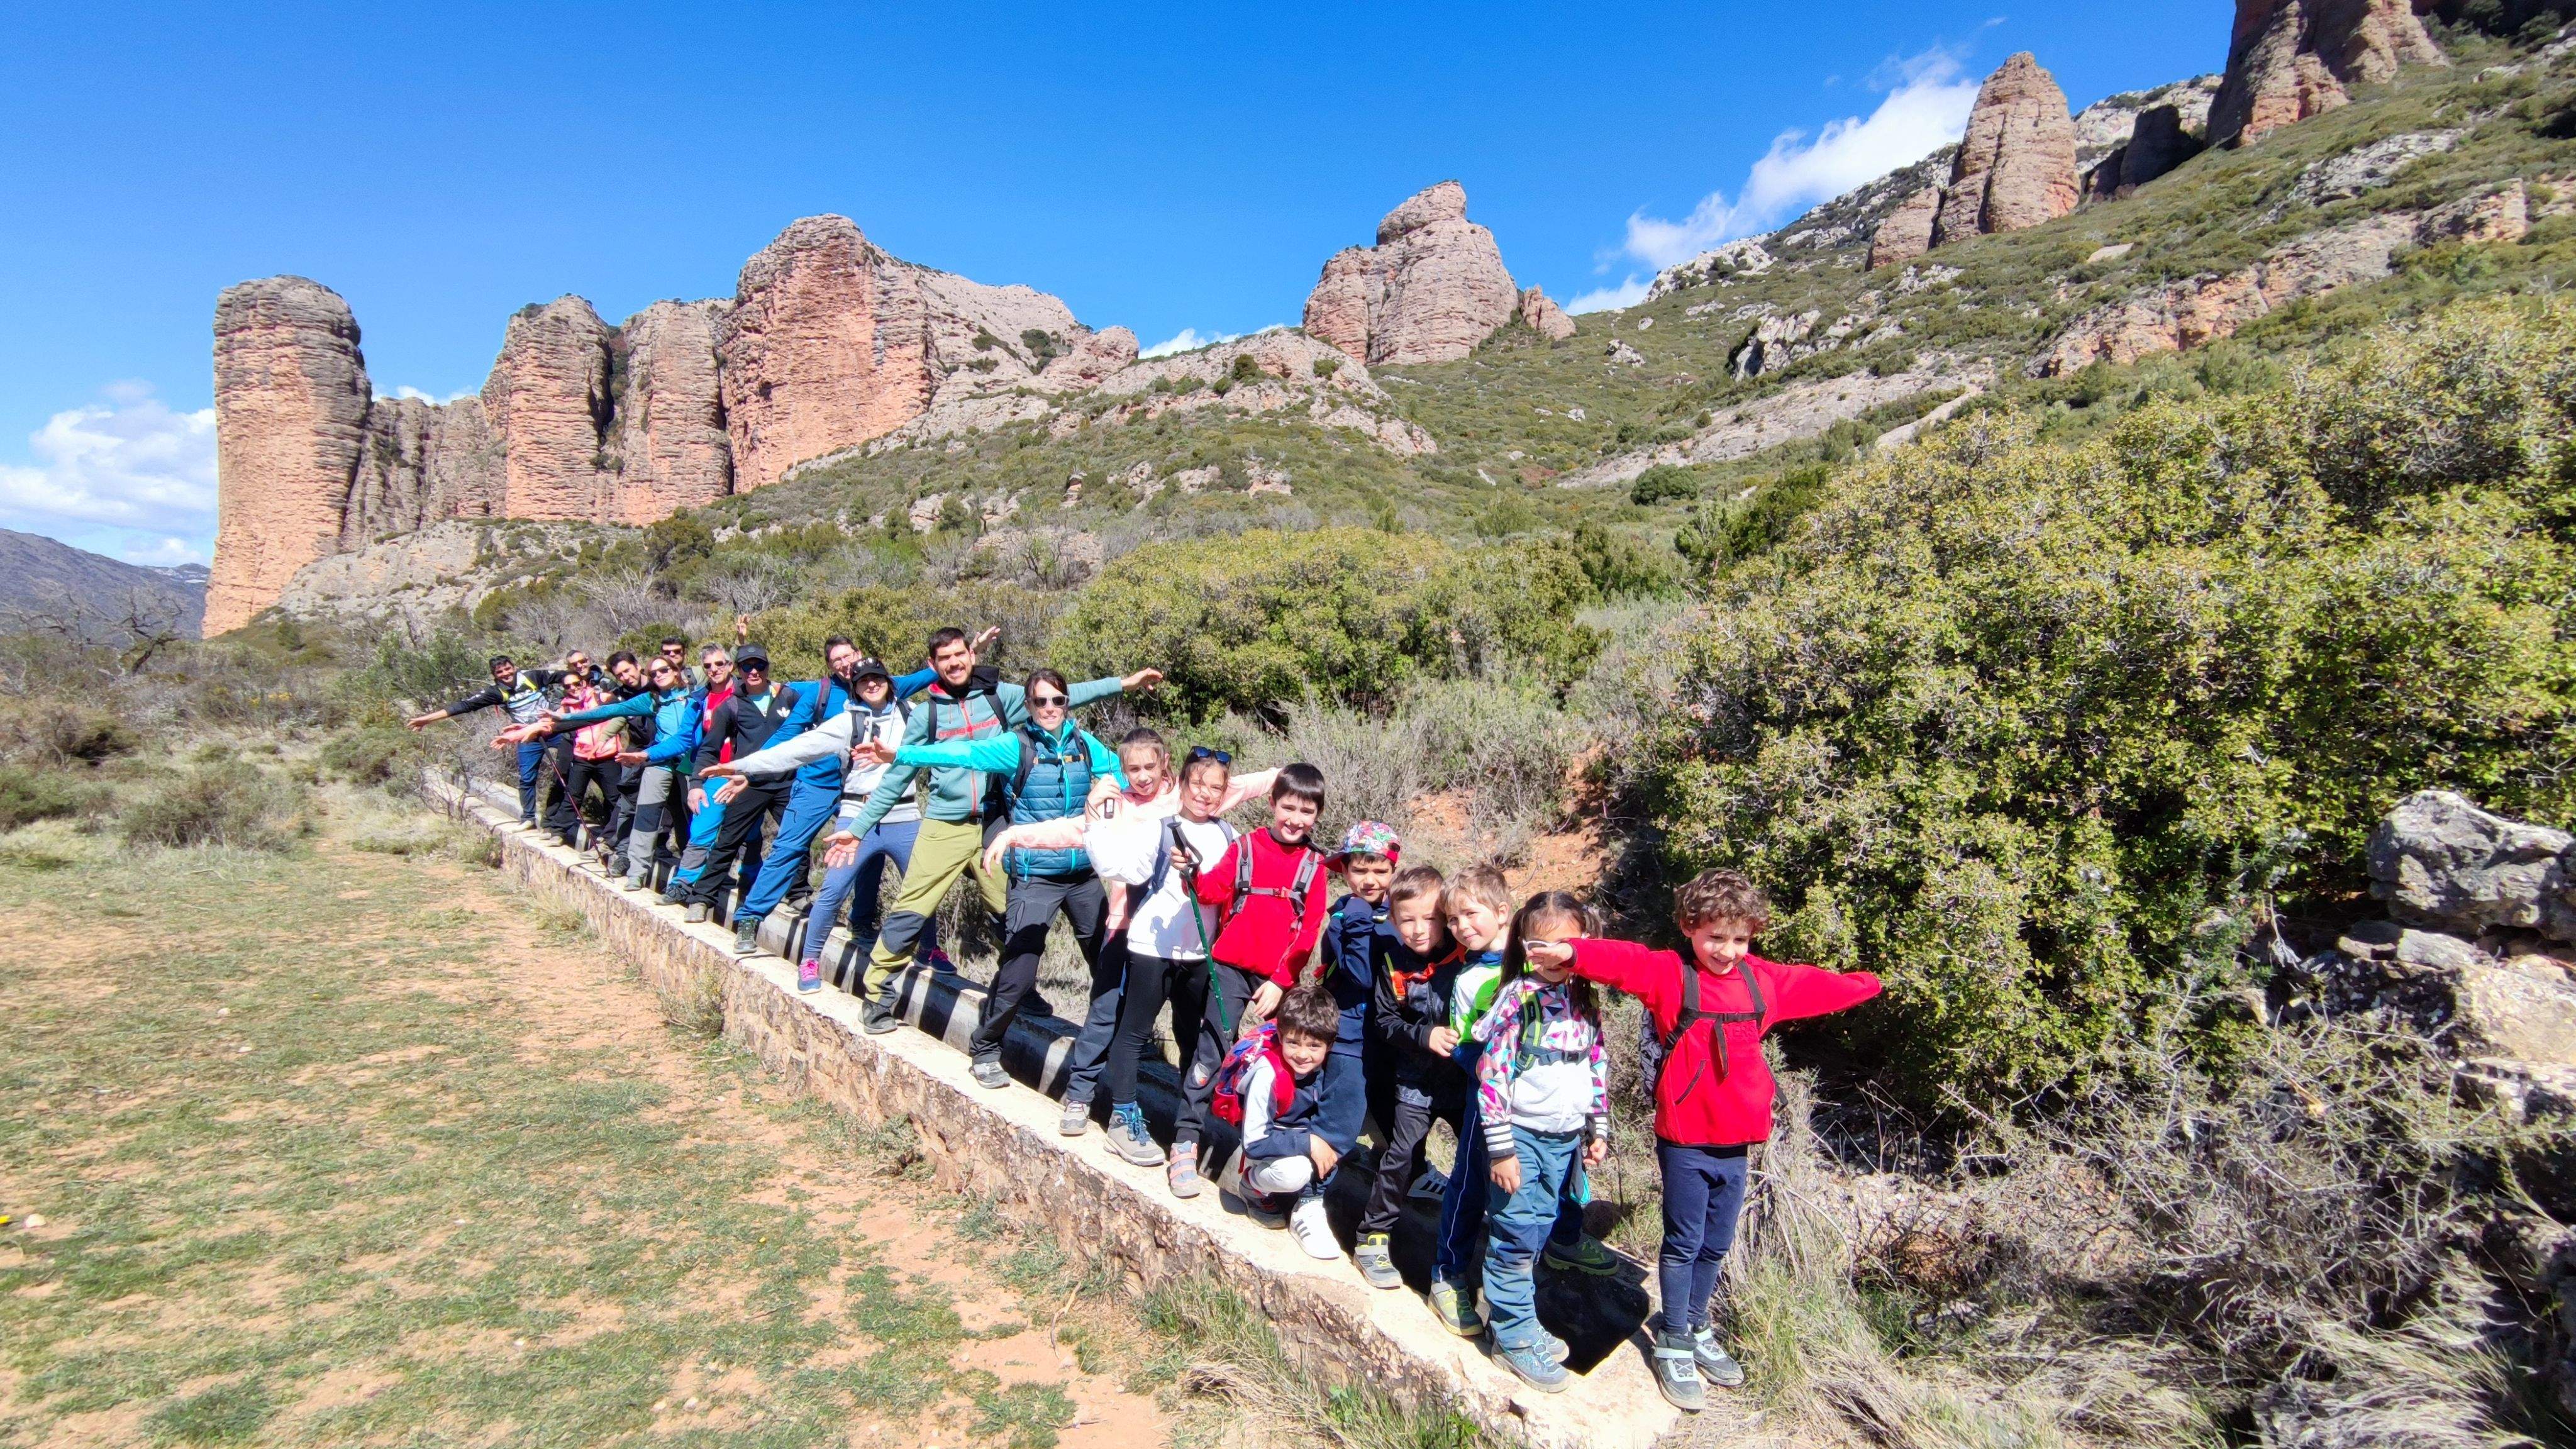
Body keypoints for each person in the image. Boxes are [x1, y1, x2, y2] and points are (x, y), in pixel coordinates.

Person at [1530, 869, 1882, 1411]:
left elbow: (1815, 985)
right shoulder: (1672, 977)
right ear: (1690, 928)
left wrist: (1872, 983)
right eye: (1716, 936)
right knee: (1683, 1242)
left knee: (1716, 1243)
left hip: (1737, 1142)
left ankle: (1696, 1325)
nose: (1728, 951)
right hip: (1686, 1141)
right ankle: (1673, 1338)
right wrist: (1573, 954)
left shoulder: (1760, 981)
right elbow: (1626, 961)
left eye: (1740, 939)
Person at [835, 626, 1157, 1034]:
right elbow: (898, 777)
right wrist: (858, 829)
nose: (954, 663)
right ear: (933, 664)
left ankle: (1018, 990)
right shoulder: (926, 714)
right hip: (946, 824)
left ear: (971, 655)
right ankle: (878, 994)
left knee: (1013, 917)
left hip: (995, 825)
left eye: (960, 654)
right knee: (912, 910)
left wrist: (1124, 683)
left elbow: (1060, 695)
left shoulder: (999, 697)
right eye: (944, 658)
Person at [863, 669, 1127, 1089]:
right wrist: (902, 755)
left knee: (1108, 961)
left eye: (1058, 700)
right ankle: (985, 1048)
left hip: (1082, 874)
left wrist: (1146, 791)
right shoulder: (1014, 746)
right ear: (1029, 704)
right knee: (1019, 971)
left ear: (1066, 702)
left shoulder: (1082, 743)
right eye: (1040, 701)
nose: (1050, 709)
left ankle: (1126, 1041)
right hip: (1035, 876)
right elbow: (962, 753)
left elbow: (1127, 773)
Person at [1426, 867, 1612, 1338]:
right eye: (1453, 919)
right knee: (1472, 1186)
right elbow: (1470, 1042)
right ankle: (1449, 1274)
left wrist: (1596, 1121)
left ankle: (1553, 1250)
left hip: (1549, 1113)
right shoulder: (1488, 983)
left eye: (1471, 914)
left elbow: (1593, 1058)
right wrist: (1491, 1068)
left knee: (1548, 1192)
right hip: (1495, 1103)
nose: (1462, 926)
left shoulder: (1575, 990)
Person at [698, 650, 943, 992]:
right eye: (864, 682)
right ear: (855, 688)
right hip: (856, 815)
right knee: (832, 890)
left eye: (877, 678)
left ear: (889, 683)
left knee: (923, 887)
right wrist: (743, 767)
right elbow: (796, 748)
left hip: (904, 815)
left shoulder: (913, 714)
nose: (872, 685)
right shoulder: (847, 722)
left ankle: (930, 949)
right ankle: (809, 958)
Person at [1093, 745, 1280, 1191]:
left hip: (1201, 954)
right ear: (1181, 783)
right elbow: (1122, 867)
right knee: (1134, 1031)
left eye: (1216, 788)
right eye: (1198, 784)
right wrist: (1096, 823)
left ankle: (1188, 1120)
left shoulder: (1229, 834)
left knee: (1193, 1038)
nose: (1206, 794)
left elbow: (1237, 889)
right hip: (1152, 948)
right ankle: (1122, 1115)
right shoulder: (1160, 828)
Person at [1469, 892, 1610, 1393]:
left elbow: (1596, 1064)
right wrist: (1503, 1150)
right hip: (1521, 1137)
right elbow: (1493, 1078)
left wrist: (1597, 1127)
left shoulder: (1584, 999)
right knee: (1516, 1233)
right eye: (1538, 946)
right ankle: (1512, 1335)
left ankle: (1520, 1319)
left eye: (1564, 945)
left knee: (1540, 1226)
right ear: (1523, 946)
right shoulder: (1518, 999)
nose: (1551, 956)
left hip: (1563, 1138)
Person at [1171, 765, 1330, 1204]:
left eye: (1307, 811)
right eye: (1288, 807)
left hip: (1276, 980)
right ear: (1272, 803)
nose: (1295, 819)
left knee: (1279, 1064)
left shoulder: (1315, 866)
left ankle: (1261, 1158)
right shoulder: (1245, 847)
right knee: (1211, 1053)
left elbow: (1308, 932)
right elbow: (1210, 891)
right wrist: (1191, 874)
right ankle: (1185, 1142)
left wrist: (1281, 982)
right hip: (1229, 969)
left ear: (1317, 815)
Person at [503, 653, 700, 891]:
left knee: (689, 819)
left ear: (676, 670)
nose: (659, 675)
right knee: (645, 815)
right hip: (658, 760)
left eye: (664, 670)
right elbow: (608, 712)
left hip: (688, 764)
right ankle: (637, 873)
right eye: (654, 673)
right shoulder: (652, 699)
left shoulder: (697, 696)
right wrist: (564, 716)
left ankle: (690, 876)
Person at [1353, 863, 1460, 1289]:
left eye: (1430, 918)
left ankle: (1495, 1247)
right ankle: (1372, 1238)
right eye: (1407, 920)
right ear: (1393, 919)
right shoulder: (1393, 961)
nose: (1418, 930)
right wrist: (1423, 1035)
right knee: (1400, 1159)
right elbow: (1384, 1022)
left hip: (1462, 1083)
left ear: (1446, 916)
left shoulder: (1465, 956)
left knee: (1484, 1157)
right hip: (1415, 1081)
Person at [683, 645, 803, 928]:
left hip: (786, 781)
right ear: (738, 670)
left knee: (796, 838)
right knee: (728, 840)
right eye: (747, 667)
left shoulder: (789, 696)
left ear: (767, 667)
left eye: (759, 665)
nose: (753, 672)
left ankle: (799, 893)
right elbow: (709, 749)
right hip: (747, 784)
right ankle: (702, 899)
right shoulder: (731, 706)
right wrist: (696, 783)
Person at [1315, 821, 1399, 1206]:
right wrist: (1361, 917)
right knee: (1338, 1124)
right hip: (1351, 1035)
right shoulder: (1345, 917)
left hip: (1390, 1038)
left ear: (1393, 871)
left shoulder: (1403, 913)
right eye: (1360, 870)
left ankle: (1409, 1172)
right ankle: (1309, 1198)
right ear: (1345, 870)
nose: (1370, 880)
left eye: (1380, 870)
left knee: (1394, 1121)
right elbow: (1361, 975)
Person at [1227, 982, 1345, 1256]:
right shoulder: (1267, 1074)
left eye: (1314, 1046)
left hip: (1292, 1139)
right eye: (1293, 1043)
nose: (1302, 1054)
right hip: (1262, 1148)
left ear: (1329, 1045)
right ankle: (1252, 1185)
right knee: (1295, 1173)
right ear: (1280, 1036)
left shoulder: (1327, 1069)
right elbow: (1255, 1142)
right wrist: (1308, 1143)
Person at [407, 653, 583, 827]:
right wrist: (427, 719)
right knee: (527, 778)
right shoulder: (496, 692)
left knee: (577, 764)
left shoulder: (533, 677)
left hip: (552, 729)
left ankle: (570, 813)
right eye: (500, 672)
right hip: (526, 736)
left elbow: (566, 676)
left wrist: (572, 696)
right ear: (495, 675)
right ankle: (528, 818)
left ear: (514, 667)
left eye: (508, 669)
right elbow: (464, 705)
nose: (506, 674)